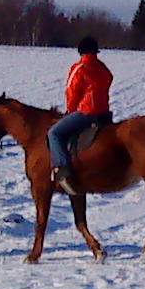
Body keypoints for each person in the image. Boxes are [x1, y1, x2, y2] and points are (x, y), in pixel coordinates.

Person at [49, 37, 114, 190]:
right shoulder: (102, 67)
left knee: (54, 133)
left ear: (81, 51)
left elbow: (71, 91)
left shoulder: (80, 67)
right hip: (104, 112)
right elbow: (110, 79)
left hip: (87, 112)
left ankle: (62, 168)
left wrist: (70, 111)